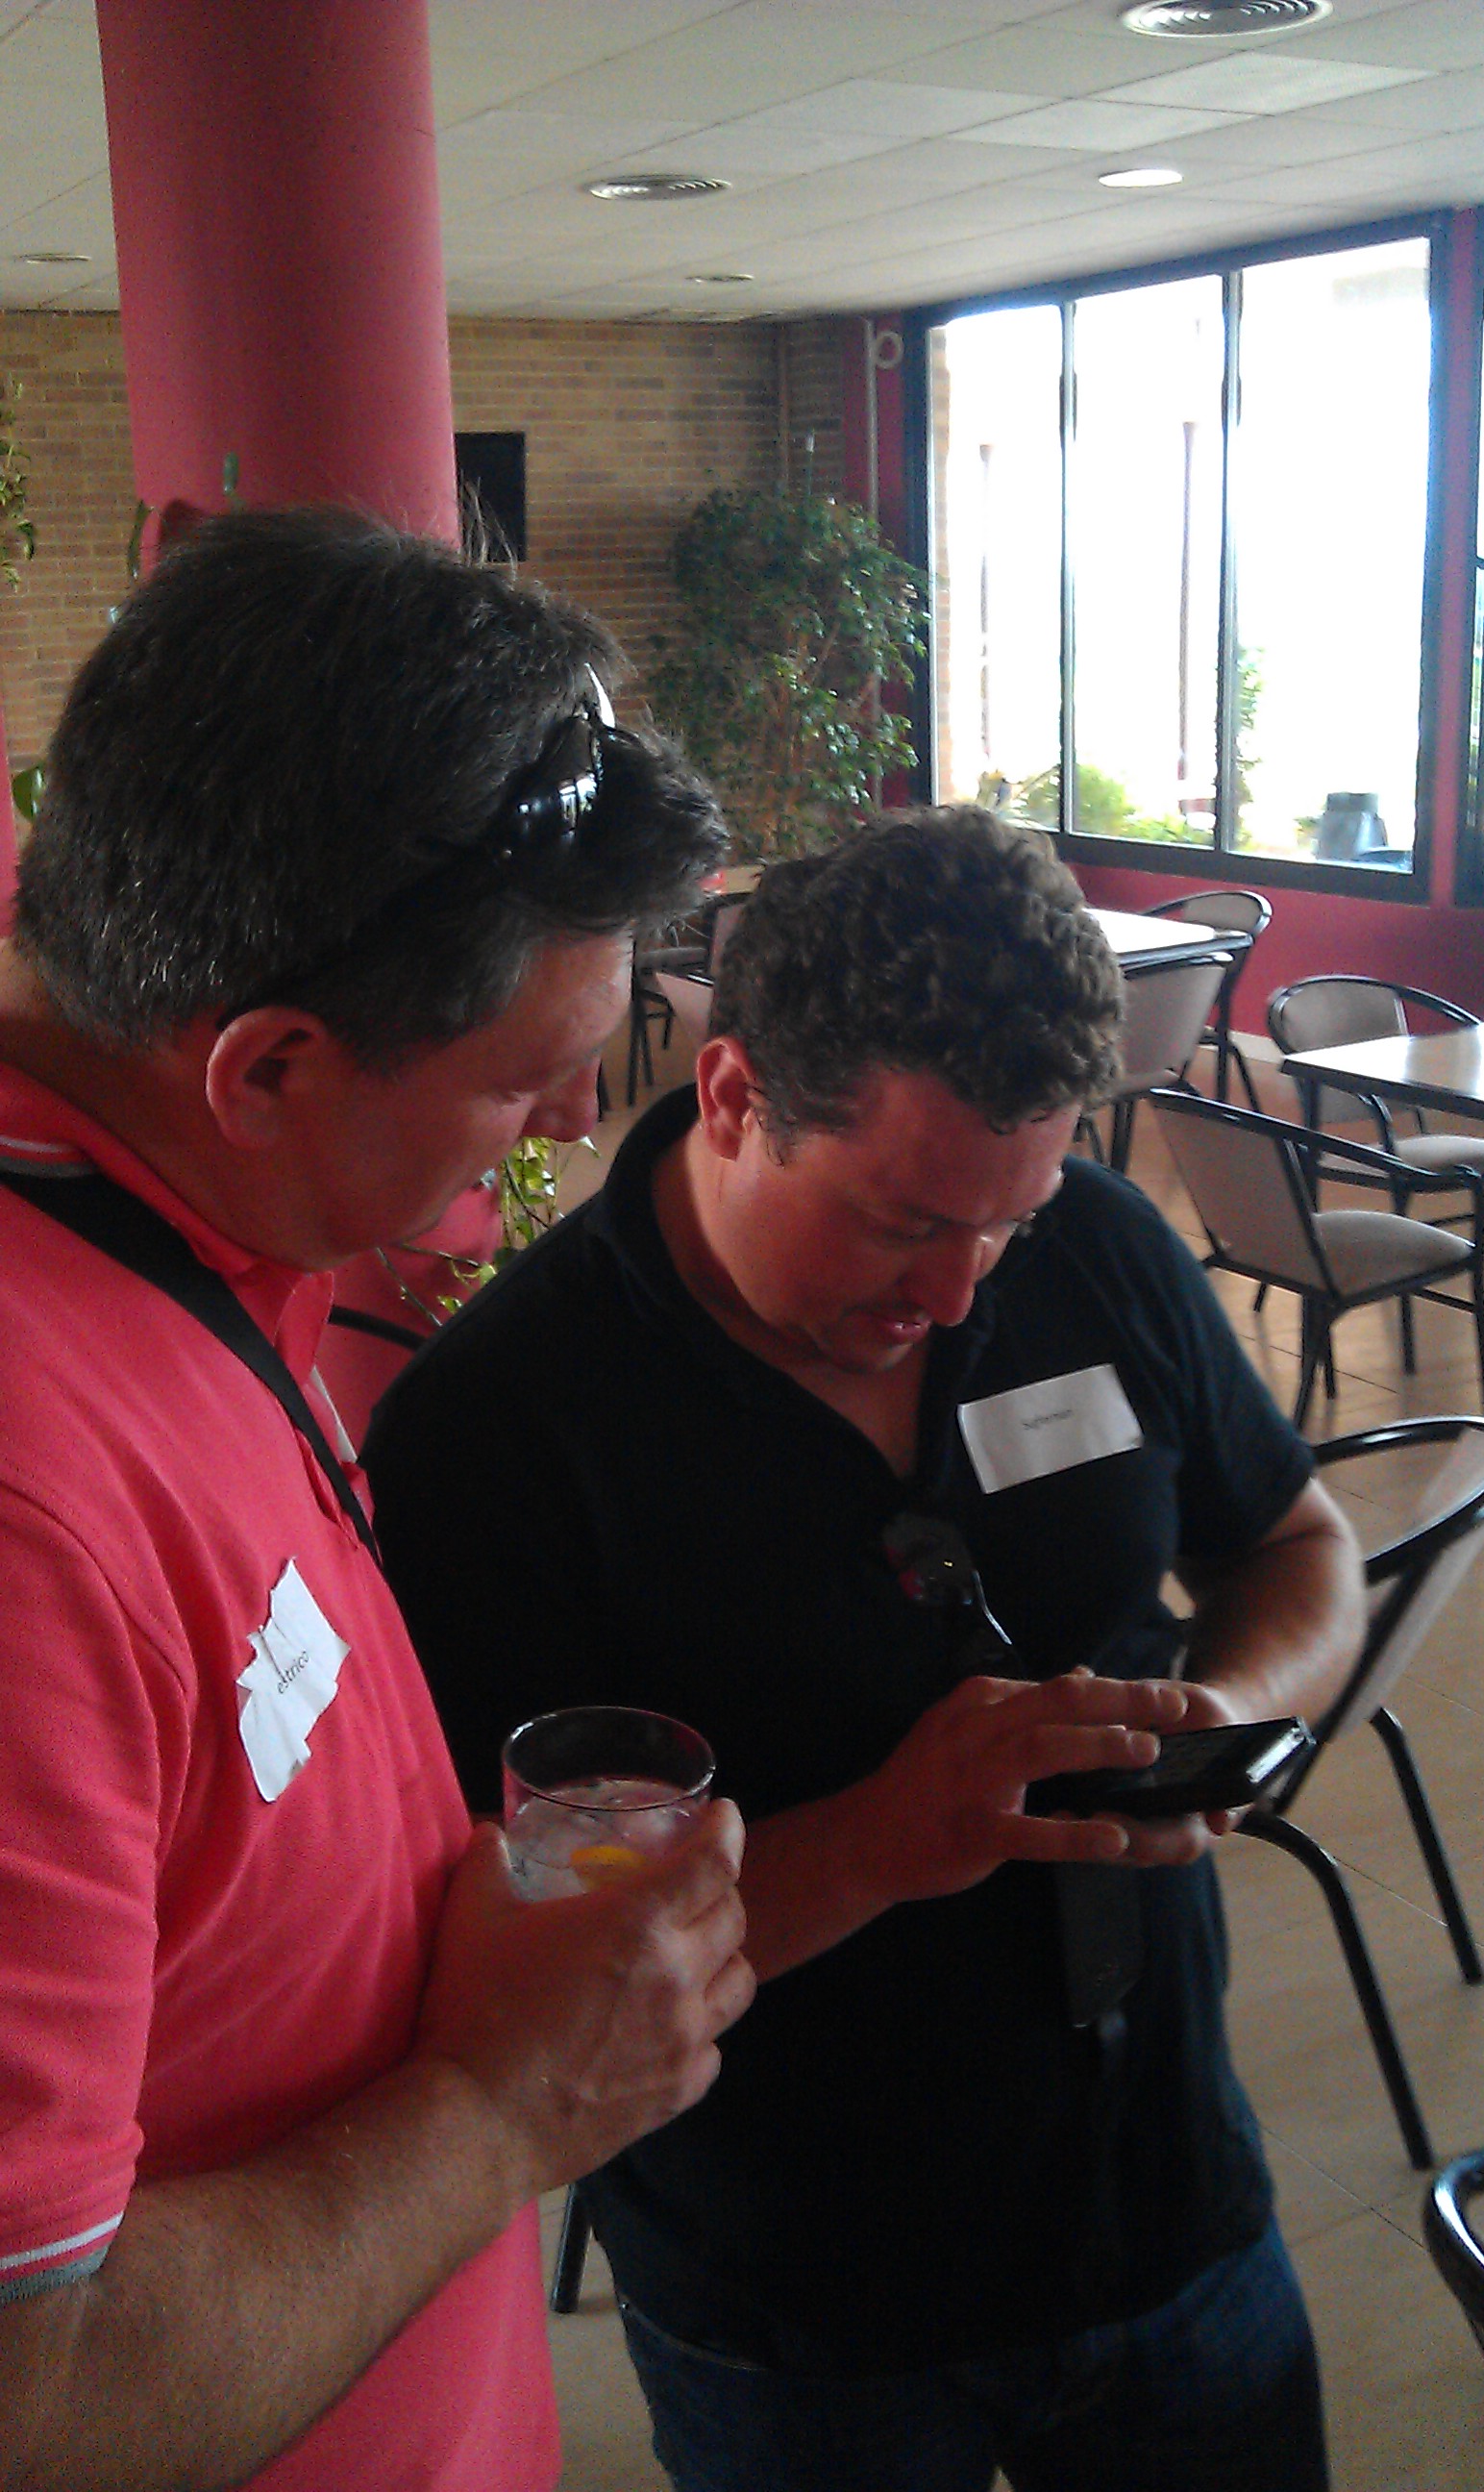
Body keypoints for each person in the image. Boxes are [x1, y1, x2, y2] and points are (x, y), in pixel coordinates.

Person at [366, 810, 1365, 2492]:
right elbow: (517, 1977)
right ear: (735, 1095)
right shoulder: (503, 1436)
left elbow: (1297, 1546)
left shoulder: (1098, 1251)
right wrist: (890, 1838)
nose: (964, 1292)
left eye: (1010, 1220)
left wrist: (1217, 1713)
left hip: (1168, 2196)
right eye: (903, 1223)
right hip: (800, 2300)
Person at [0, 506, 760, 2492]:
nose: (582, 1120)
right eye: (527, 1080)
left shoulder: (173, 1221)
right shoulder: (25, 1512)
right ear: (263, 1071)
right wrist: (505, 2109)